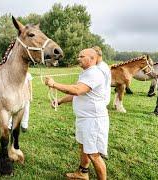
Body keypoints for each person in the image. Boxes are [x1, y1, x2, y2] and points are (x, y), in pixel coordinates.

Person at [45, 48, 110, 180]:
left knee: (94, 154)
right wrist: (60, 101)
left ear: (92, 59)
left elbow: (78, 90)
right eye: (78, 56)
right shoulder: (86, 72)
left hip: (93, 120)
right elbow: (80, 94)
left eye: (82, 56)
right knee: (84, 147)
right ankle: (82, 172)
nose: (78, 58)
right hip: (85, 118)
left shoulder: (94, 73)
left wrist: (54, 84)